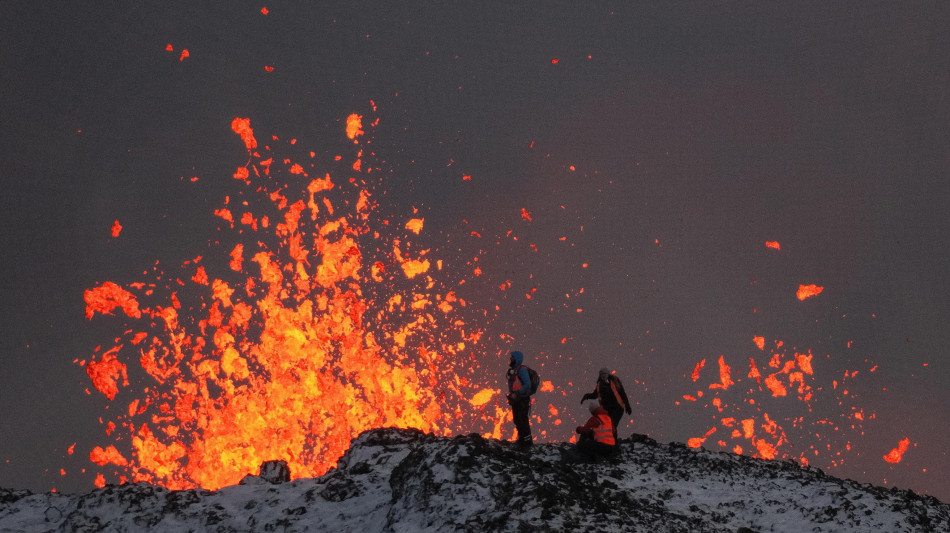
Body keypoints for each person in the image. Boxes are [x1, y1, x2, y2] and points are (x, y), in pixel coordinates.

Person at [580, 367, 632, 440]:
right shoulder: (599, 385)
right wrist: (587, 396)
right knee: (608, 425)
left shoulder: (615, 382)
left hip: (617, 408)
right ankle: (611, 441)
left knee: (612, 425)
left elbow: (622, 393)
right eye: (601, 374)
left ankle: (614, 443)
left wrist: (627, 405)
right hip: (607, 409)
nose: (603, 376)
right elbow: (595, 395)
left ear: (608, 374)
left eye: (604, 374)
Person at [506, 350, 533, 447]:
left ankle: (527, 442)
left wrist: (517, 393)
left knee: (522, 419)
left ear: (516, 359)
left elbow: (528, 384)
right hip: (516, 399)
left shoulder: (522, 370)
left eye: (512, 358)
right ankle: (522, 439)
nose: (510, 359)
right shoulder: (515, 370)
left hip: (522, 399)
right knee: (517, 419)